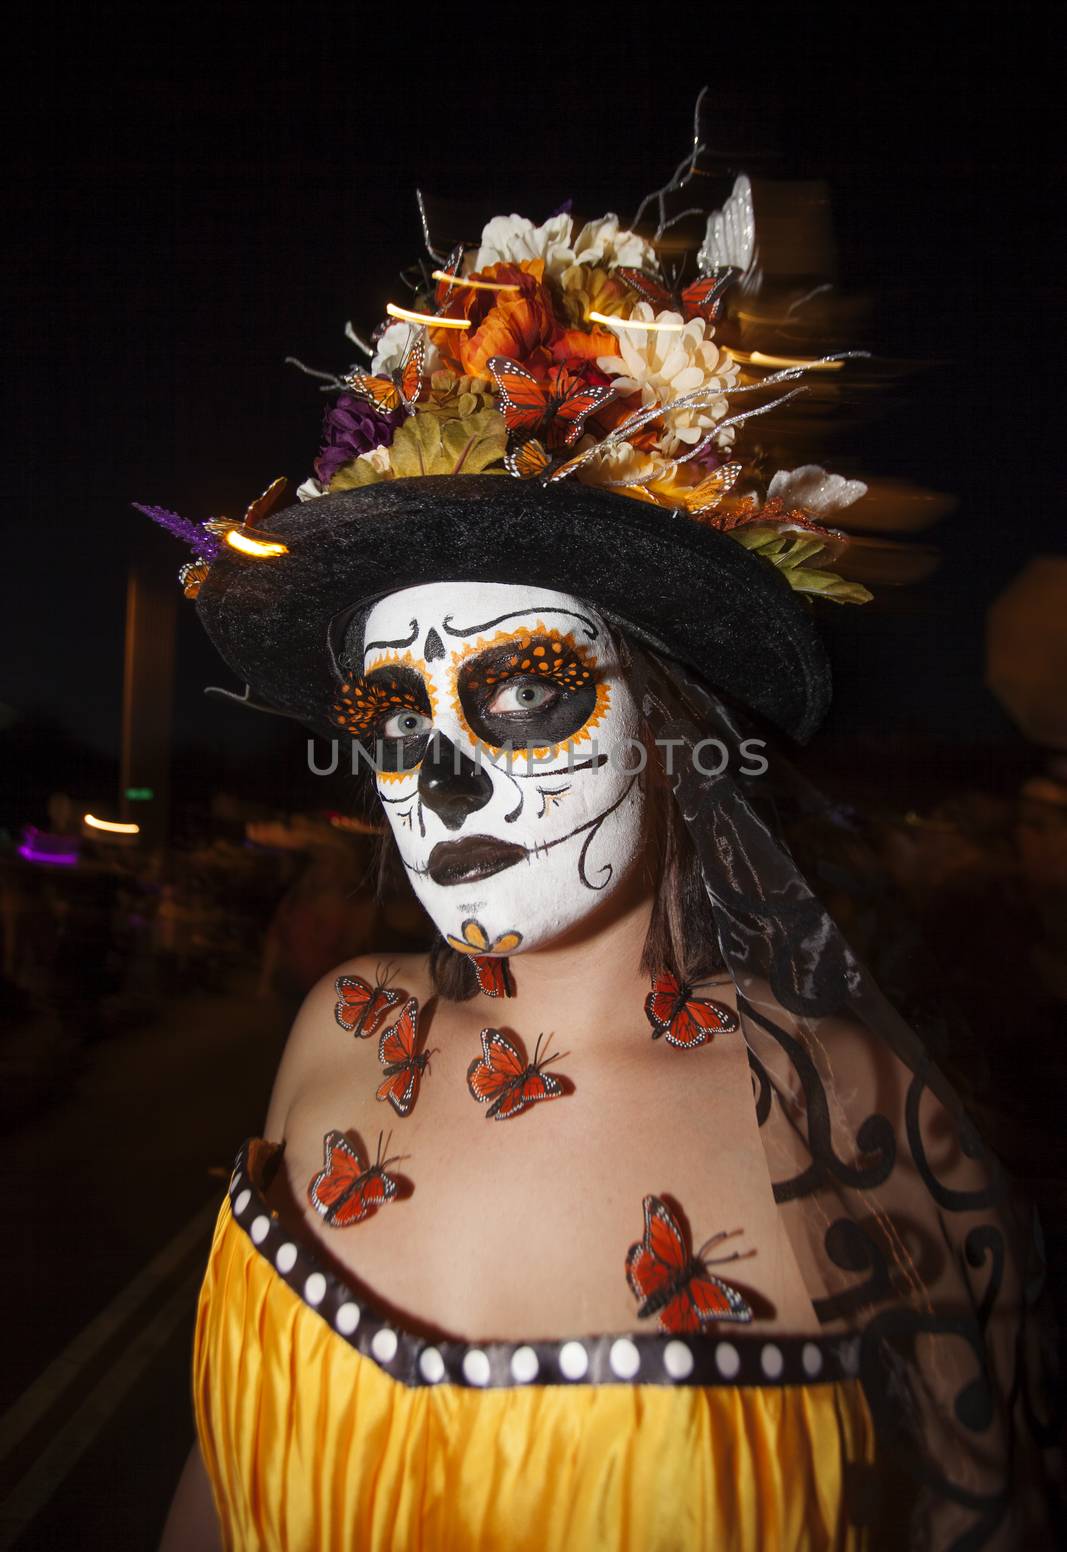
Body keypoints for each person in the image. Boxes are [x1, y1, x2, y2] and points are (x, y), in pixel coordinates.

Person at [154, 190, 1059, 1550]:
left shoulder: (841, 1119)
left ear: (667, 731)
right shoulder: (339, 1033)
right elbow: (219, 1491)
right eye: (396, 719)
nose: (439, 773)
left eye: (527, 690)